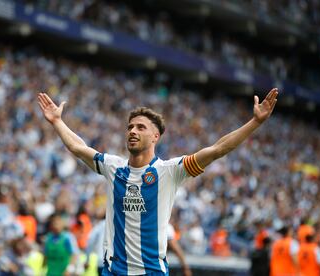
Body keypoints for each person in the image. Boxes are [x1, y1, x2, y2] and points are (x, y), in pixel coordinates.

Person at [37, 87, 278, 275]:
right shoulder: (113, 167)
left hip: (151, 271)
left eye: (140, 127)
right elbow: (79, 148)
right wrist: (58, 122)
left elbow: (216, 149)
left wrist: (255, 123)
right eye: (130, 126)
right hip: (113, 271)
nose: (132, 131)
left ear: (155, 136)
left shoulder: (170, 171)